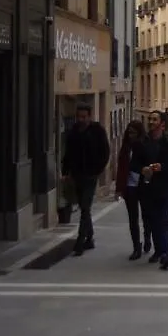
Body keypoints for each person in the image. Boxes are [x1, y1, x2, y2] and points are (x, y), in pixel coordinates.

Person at [131, 110, 168, 270]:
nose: (151, 122)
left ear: (162, 124)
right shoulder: (141, 143)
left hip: (166, 187)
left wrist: (163, 167)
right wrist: (143, 169)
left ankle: (165, 253)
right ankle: (159, 250)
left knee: (165, 221)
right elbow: (134, 164)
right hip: (148, 188)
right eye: (150, 119)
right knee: (153, 222)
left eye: (154, 119)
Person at [61, 103, 110, 257]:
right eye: (79, 117)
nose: (81, 119)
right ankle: (89, 237)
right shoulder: (74, 131)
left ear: (89, 116)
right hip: (77, 174)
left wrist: (98, 170)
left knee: (85, 207)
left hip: (91, 174)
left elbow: (105, 152)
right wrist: (66, 171)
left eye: (84, 117)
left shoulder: (97, 131)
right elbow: (68, 152)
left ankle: (80, 242)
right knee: (83, 207)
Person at [115, 120, 152, 260]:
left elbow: (149, 165)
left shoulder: (145, 145)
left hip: (143, 186)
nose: (131, 135)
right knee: (132, 218)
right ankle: (136, 246)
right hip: (129, 187)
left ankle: (148, 238)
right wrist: (119, 189)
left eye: (134, 133)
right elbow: (121, 169)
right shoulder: (125, 148)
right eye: (129, 133)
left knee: (146, 215)